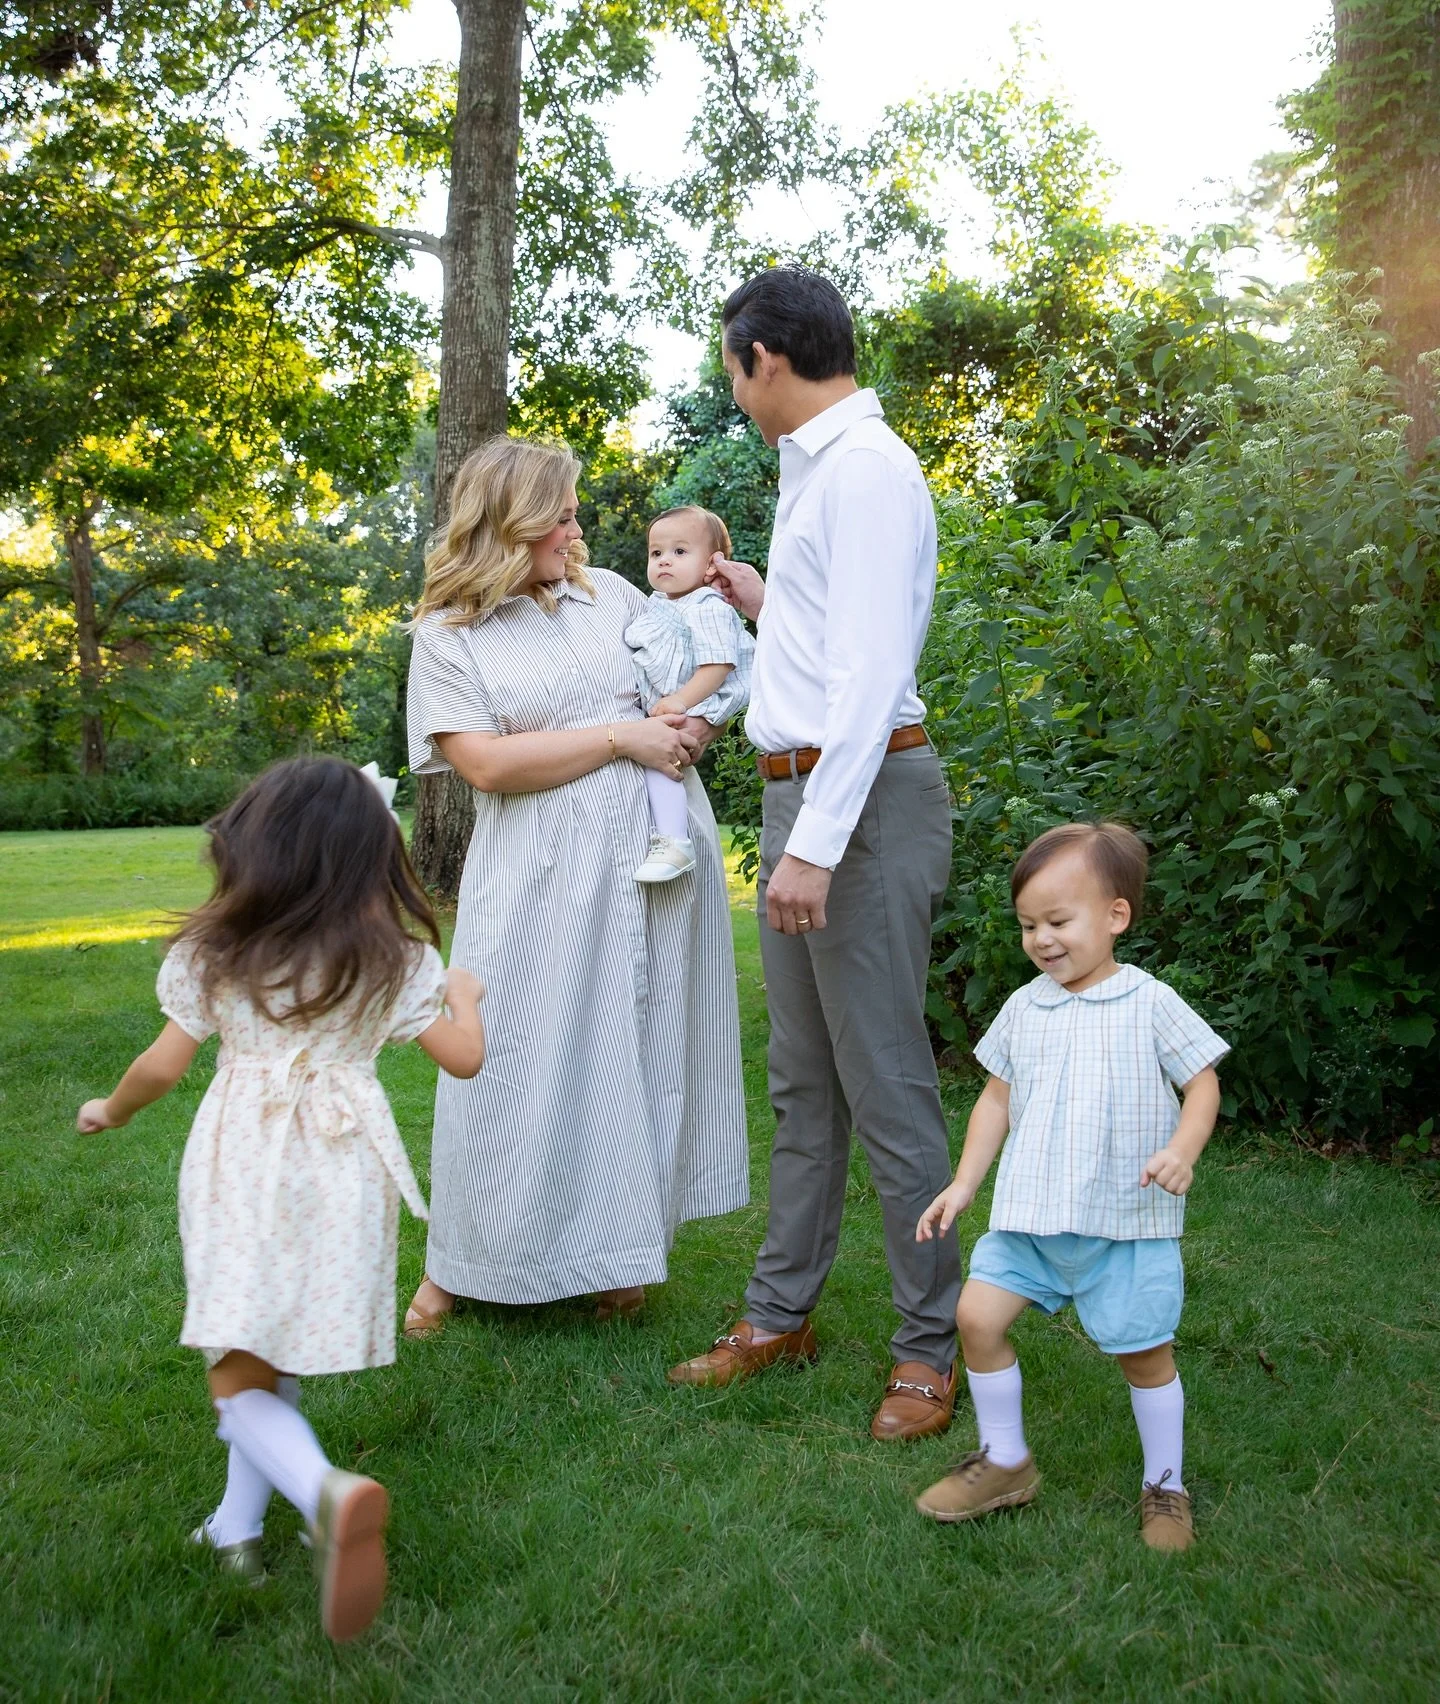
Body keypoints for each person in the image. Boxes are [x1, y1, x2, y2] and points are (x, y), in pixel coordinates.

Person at [74, 757, 486, 1640]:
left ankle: (324, 1494)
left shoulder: (219, 952)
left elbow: (161, 1066)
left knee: (234, 1372)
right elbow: (465, 1059)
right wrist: (466, 997)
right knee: (275, 1354)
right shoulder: (397, 959)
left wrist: (111, 1109)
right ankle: (239, 1524)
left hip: (245, 1168)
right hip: (344, 1175)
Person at [666, 267, 961, 1442]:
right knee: (803, 1086)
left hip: (862, 805)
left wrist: (817, 849)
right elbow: (831, 638)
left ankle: (927, 1350)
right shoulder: (816, 472)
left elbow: (874, 679)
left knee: (887, 1084)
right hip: (811, 804)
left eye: (729, 371)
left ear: (762, 359)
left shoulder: (872, 474)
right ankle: (779, 1314)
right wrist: (761, 601)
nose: (732, 393)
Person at [402, 435, 748, 1337]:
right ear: (509, 523)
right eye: (559, 514)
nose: (576, 527)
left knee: (632, 1050)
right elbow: (480, 763)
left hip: (652, 862)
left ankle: (615, 1251)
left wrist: (686, 734)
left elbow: (698, 684)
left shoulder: (617, 597)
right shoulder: (449, 635)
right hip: (535, 872)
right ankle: (458, 1263)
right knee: (504, 1050)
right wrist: (617, 739)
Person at [912, 822, 1228, 1551]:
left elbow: (1203, 1083)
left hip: (1126, 1222)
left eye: (1058, 921)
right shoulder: (1027, 1007)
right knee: (977, 1320)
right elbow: (997, 1098)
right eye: (1028, 925)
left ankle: (1167, 1485)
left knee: (1143, 1353)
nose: (1042, 940)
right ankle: (1004, 1460)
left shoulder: (1149, 1001)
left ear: (1115, 916)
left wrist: (1184, 1148)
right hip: (1030, 1218)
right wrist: (964, 1185)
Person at [626, 504, 755, 882]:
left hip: (697, 699)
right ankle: (665, 835)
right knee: (654, 761)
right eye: (657, 553)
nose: (665, 561)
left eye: (680, 552)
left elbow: (718, 665)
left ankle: (674, 840)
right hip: (670, 701)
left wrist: (682, 700)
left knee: (661, 761)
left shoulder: (707, 607)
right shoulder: (659, 605)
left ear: (712, 565)